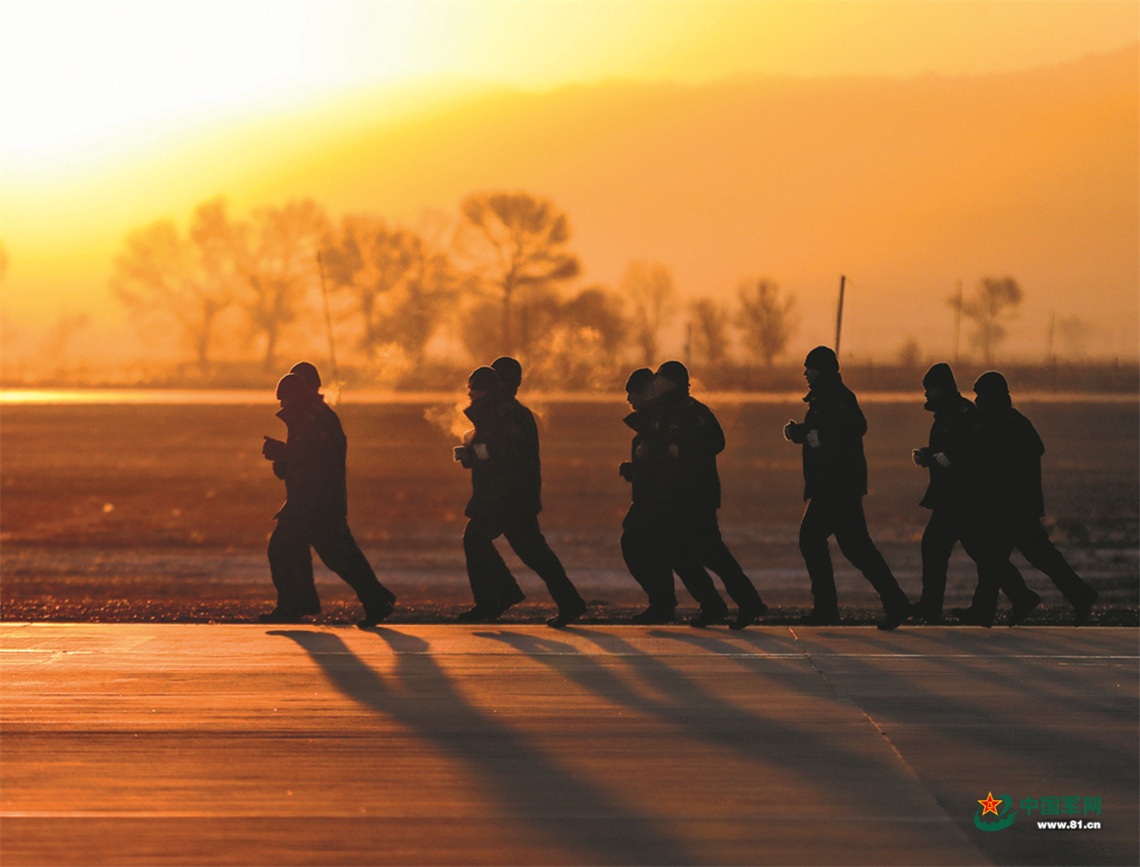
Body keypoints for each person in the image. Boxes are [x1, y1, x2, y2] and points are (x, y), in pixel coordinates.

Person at [783, 346, 911, 629]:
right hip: (833, 485)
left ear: (822, 369)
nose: (805, 373)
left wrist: (820, 436)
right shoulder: (823, 398)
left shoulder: (839, 397)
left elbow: (855, 427)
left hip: (837, 485)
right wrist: (801, 433)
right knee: (856, 548)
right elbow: (827, 430)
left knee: (812, 538)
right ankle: (895, 601)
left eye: (810, 368)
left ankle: (827, 608)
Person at [260, 363, 395, 626]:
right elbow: (304, 458)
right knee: (331, 554)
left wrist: (285, 455)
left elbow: (318, 460)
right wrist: (285, 458)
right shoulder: (306, 417)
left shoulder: (317, 418)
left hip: (317, 502)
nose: (283, 405)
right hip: (311, 501)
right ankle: (375, 600)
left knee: (314, 551)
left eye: (286, 399)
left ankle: (298, 604)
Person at [960, 372, 1097, 626]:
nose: (977, 400)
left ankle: (993, 607)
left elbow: (1019, 457)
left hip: (1015, 507)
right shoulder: (998, 423)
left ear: (993, 396)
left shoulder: (1012, 424)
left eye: (981, 395)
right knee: (1008, 557)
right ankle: (1075, 595)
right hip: (1010, 506)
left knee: (1006, 557)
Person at [455, 363, 587, 627]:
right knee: (532, 552)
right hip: (510, 496)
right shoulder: (504, 414)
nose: (471, 393)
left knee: (481, 540)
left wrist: (481, 457)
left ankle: (497, 598)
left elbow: (508, 458)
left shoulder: (507, 416)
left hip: (507, 497)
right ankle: (564, 601)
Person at [644, 361, 768, 629]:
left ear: (674, 381)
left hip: (696, 497)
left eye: (661, 377)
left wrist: (683, 452)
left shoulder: (693, 411)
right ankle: (713, 605)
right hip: (677, 497)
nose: (656, 382)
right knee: (680, 553)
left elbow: (715, 443)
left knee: (713, 554)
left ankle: (749, 604)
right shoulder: (666, 412)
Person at [911, 363, 1033, 625]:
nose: (926, 394)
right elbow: (949, 448)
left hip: (961, 496)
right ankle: (1020, 596)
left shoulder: (964, 413)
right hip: (953, 495)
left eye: (929, 388)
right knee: (983, 552)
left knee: (935, 546)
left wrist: (952, 458)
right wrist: (928, 455)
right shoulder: (948, 413)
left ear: (942, 389)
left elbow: (977, 448)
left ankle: (931, 608)